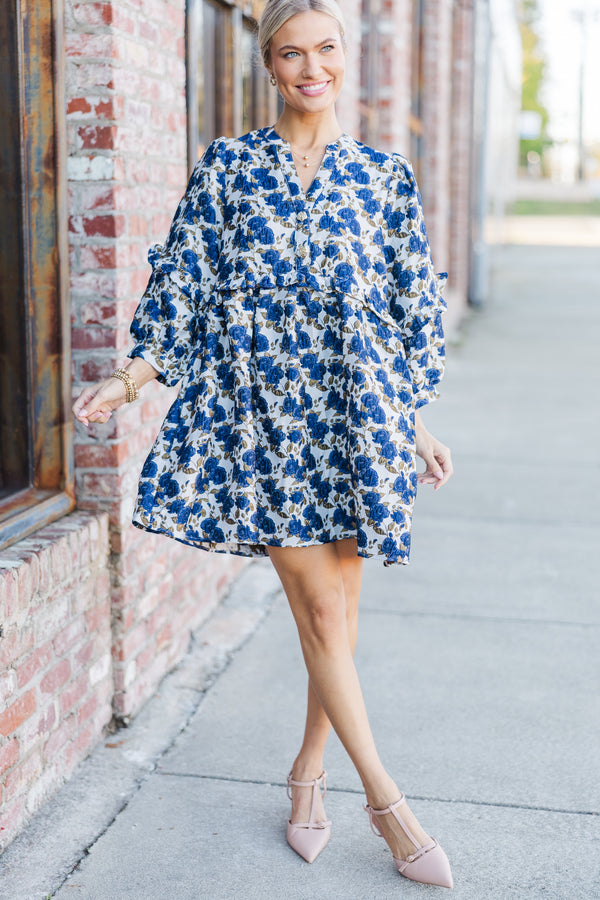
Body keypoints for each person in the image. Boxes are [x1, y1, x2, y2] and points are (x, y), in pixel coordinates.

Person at [73, 0, 454, 888]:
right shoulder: (231, 169)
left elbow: (400, 318)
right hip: (258, 422)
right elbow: (184, 280)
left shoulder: (383, 179)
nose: (310, 67)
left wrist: (416, 424)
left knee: (341, 620)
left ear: (344, 59)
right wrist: (130, 380)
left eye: (325, 49)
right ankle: (390, 806)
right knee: (321, 613)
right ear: (268, 65)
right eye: (292, 53)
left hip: (355, 423)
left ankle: (307, 774)